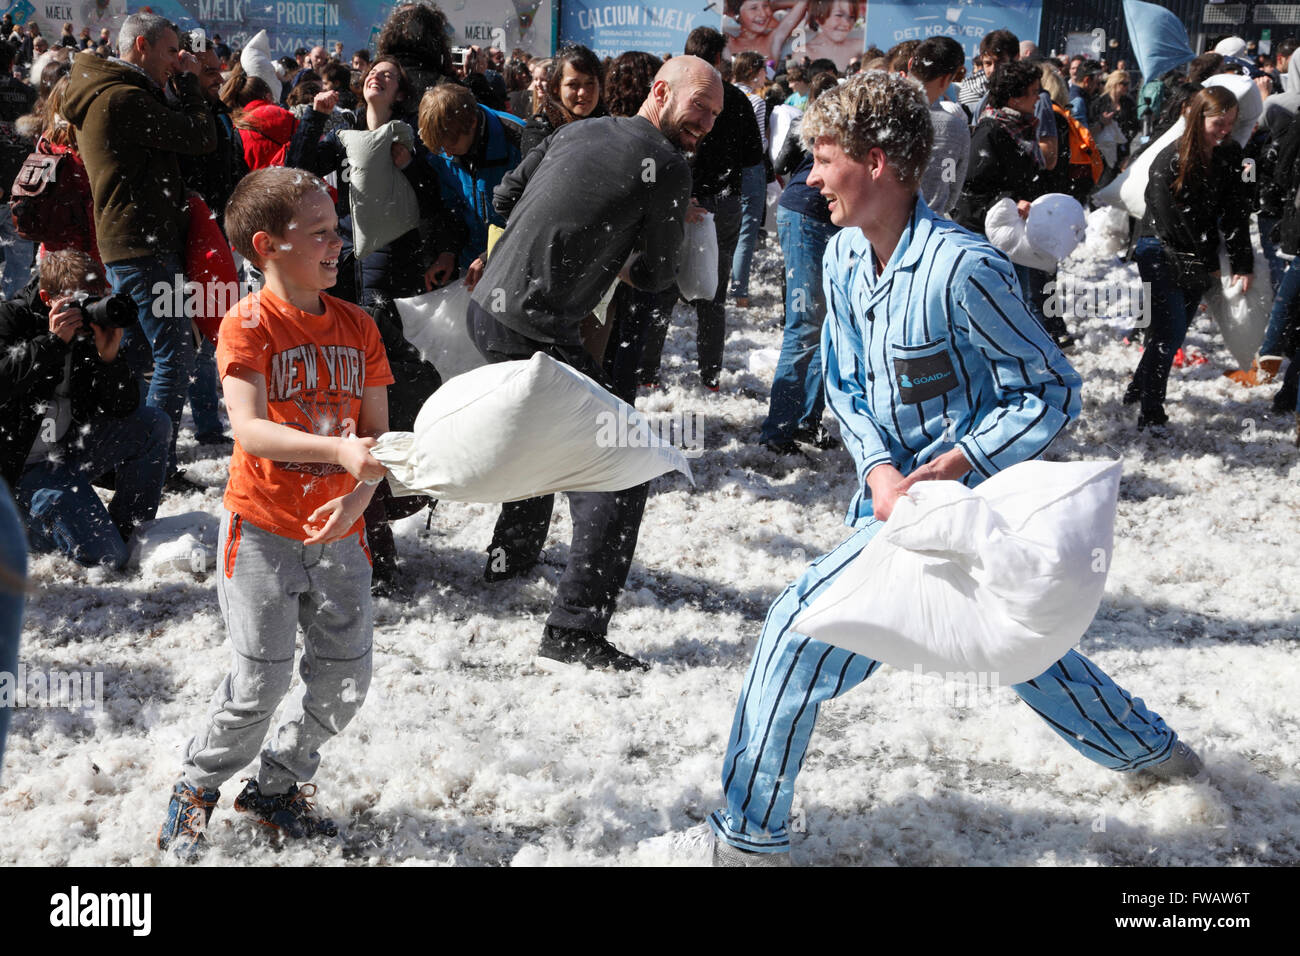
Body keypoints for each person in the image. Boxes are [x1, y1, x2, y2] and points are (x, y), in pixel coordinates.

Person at [675, 71, 1204, 866]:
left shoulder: (966, 269)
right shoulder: (846, 257)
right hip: (890, 515)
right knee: (1015, 654)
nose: (809, 177)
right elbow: (845, 383)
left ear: (880, 163)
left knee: (809, 632)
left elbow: (1051, 392)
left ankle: (746, 842)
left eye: (822, 159)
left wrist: (955, 464)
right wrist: (882, 469)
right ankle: (1158, 755)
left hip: (971, 523)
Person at [157, 167, 394, 860]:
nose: (337, 244)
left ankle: (279, 787)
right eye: (319, 233)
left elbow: (375, 444)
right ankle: (197, 786)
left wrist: (350, 501)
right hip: (260, 531)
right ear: (267, 246)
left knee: (346, 676)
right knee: (258, 680)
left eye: (338, 230)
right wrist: (337, 450)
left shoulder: (359, 326)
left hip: (342, 533)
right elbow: (250, 429)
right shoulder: (248, 323)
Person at [466, 55, 721, 671]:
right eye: (699, 109)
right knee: (622, 463)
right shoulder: (667, 166)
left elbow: (503, 198)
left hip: (488, 312)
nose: (706, 125)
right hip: (536, 329)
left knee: (543, 436)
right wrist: (626, 255)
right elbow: (661, 276)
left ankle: (514, 555)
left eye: (715, 116)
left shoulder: (577, 130)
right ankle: (574, 630)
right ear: (660, 93)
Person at [61, 13, 217, 487]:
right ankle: (153, 464)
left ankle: (111, 453)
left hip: (135, 242)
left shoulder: (114, 92)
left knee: (132, 354)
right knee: (174, 354)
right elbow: (200, 137)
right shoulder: (123, 98)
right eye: (171, 52)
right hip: (142, 245)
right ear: (142, 46)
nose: (178, 61)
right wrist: (190, 84)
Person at [0, 249, 169, 569]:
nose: (90, 309)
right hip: (19, 470)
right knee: (108, 559)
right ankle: (20, 528)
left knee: (153, 424)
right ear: (48, 298)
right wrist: (50, 344)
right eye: (81, 301)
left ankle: (129, 532)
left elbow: (124, 408)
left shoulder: (90, 329)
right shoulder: (11, 319)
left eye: (97, 298)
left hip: (67, 450)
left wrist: (110, 359)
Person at [638, 27, 762, 391]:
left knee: (661, 287)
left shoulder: (677, 96)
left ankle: (647, 374)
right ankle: (710, 376)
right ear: (720, 59)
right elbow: (754, 157)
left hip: (683, 198)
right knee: (713, 293)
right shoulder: (737, 99)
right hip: (719, 202)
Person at [1126, 87, 1252, 430]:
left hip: (1197, 253)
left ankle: (1138, 388)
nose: (1225, 129)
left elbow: (1236, 210)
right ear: (1199, 118)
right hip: (1159, 249)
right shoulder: (1170, 158)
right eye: (1218, 122)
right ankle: (1151, 412)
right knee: (1170, 331)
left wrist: (1243, 262)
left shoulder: (1230, 156)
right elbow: (1167, 219)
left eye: (1231, 122)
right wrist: (1200, 260)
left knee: (1172, 333)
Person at [758, 70, 840, 454]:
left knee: (830, 324)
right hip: (808, 216)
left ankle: (807, 420)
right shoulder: (855, 121)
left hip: (824, 217)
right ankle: (778, 430)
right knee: (806, 324)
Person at [181, 39, 247, 449]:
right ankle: (205, 423)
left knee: (217, 328)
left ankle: (213, 418)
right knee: (197, 337)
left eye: (219, 70)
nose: (220, 78)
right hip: (192, 239)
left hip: (222, 235)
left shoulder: (218, 112)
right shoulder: (185, 115)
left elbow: (234, 172)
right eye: (208, 72)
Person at [419, 81, 523, 288]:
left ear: (472, 122)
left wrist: (491, 255)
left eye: (451, 145)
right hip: (471, 266)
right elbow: (451, 208)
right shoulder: (444, 146)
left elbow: (532, 215)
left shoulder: (518, 139)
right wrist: (448, 250)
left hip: (516, 264)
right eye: (441, 148)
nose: (447, 153)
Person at [908, 36, 970, 217]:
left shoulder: (877, 111)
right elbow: (951, 186)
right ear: (946, 80)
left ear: (910, 63)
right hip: (928, 225)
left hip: (874, 223)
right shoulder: (955, 128)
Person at [0, 39, 38, 299]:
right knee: (19, 263)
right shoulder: (28, 95)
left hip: (15, 192)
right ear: (12, 63)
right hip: (21, 190)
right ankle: (9, 320)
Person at [520, 44, 603, 156]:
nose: (583, 92)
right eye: (573, 84)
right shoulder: (540, 131)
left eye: (590, 83)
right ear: (556, 88)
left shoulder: (610, 125)